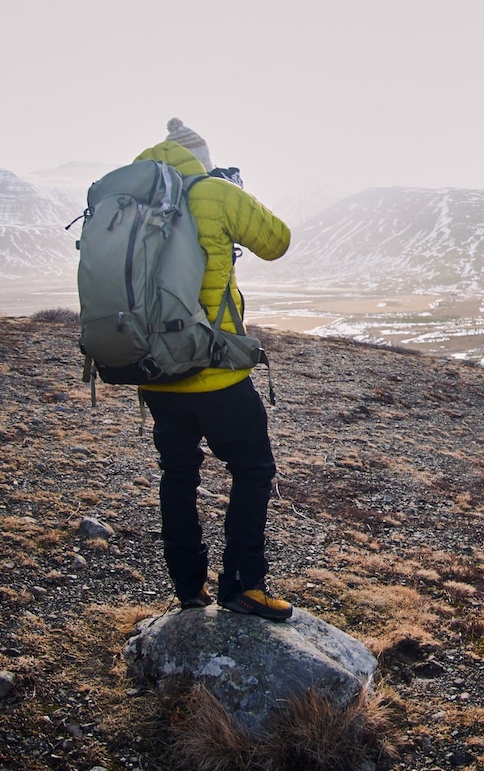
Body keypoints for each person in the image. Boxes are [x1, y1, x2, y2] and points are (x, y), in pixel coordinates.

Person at [135, 118, 294, 621]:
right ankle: (243, 585)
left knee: (177, 474)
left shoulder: (132, 199)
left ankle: (188, 589)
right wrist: (231, 191)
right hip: (216, 371)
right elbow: (277, 241)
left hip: (156, 373)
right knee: (252, 469)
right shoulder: (214, 191)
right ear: (200, 159)